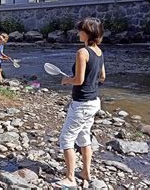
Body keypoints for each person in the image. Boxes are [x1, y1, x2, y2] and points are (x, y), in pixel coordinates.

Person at [57, 17, 105, 188]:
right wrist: (90, 83)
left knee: (66, 139)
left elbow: (78, 80)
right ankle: (85, 172)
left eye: (80, 30)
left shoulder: (82, 52)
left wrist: (66, 81)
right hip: (94, 102)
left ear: (87, 33)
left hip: (82, 104)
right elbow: (102, 77)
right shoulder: (99, 52)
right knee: (84, 137)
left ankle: (70, 178)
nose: (78, 33)